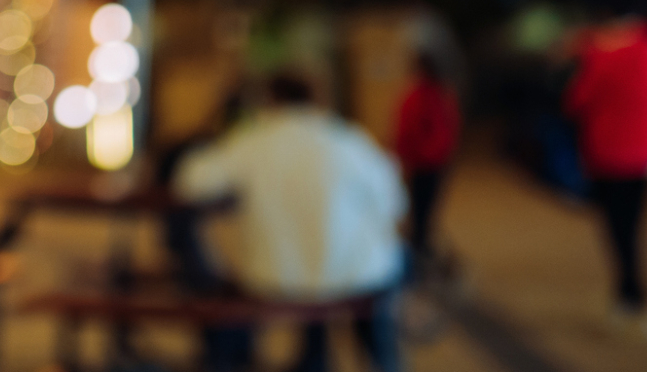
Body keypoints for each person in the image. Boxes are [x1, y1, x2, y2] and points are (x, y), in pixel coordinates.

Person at [175, 72, 406, 372]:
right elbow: (394, 203)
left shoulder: (255, 139)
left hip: (277, 275)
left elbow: (190, 181)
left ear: (270, 100)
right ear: (318, 100)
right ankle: (379, 359)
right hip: (356, 275)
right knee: (386, 273)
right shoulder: (347, 138)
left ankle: (312, 358)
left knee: (269, 287)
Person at [563, 8, 647, 342]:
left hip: (606, 153)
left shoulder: (596, 54)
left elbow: (576, 99)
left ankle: (636, 298)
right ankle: (630, 299)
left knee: (617, 230)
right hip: (643, 149)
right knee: (632, 227)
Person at [393, 50, 460, 274]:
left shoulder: (416, 95)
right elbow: (450, 127)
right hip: (436, 160)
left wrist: (402, 155)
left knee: (418, 209)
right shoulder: (442, 93)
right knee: (426, 208)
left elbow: (406, 129)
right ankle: (421, 249)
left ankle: (417, 254)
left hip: (420, 161)